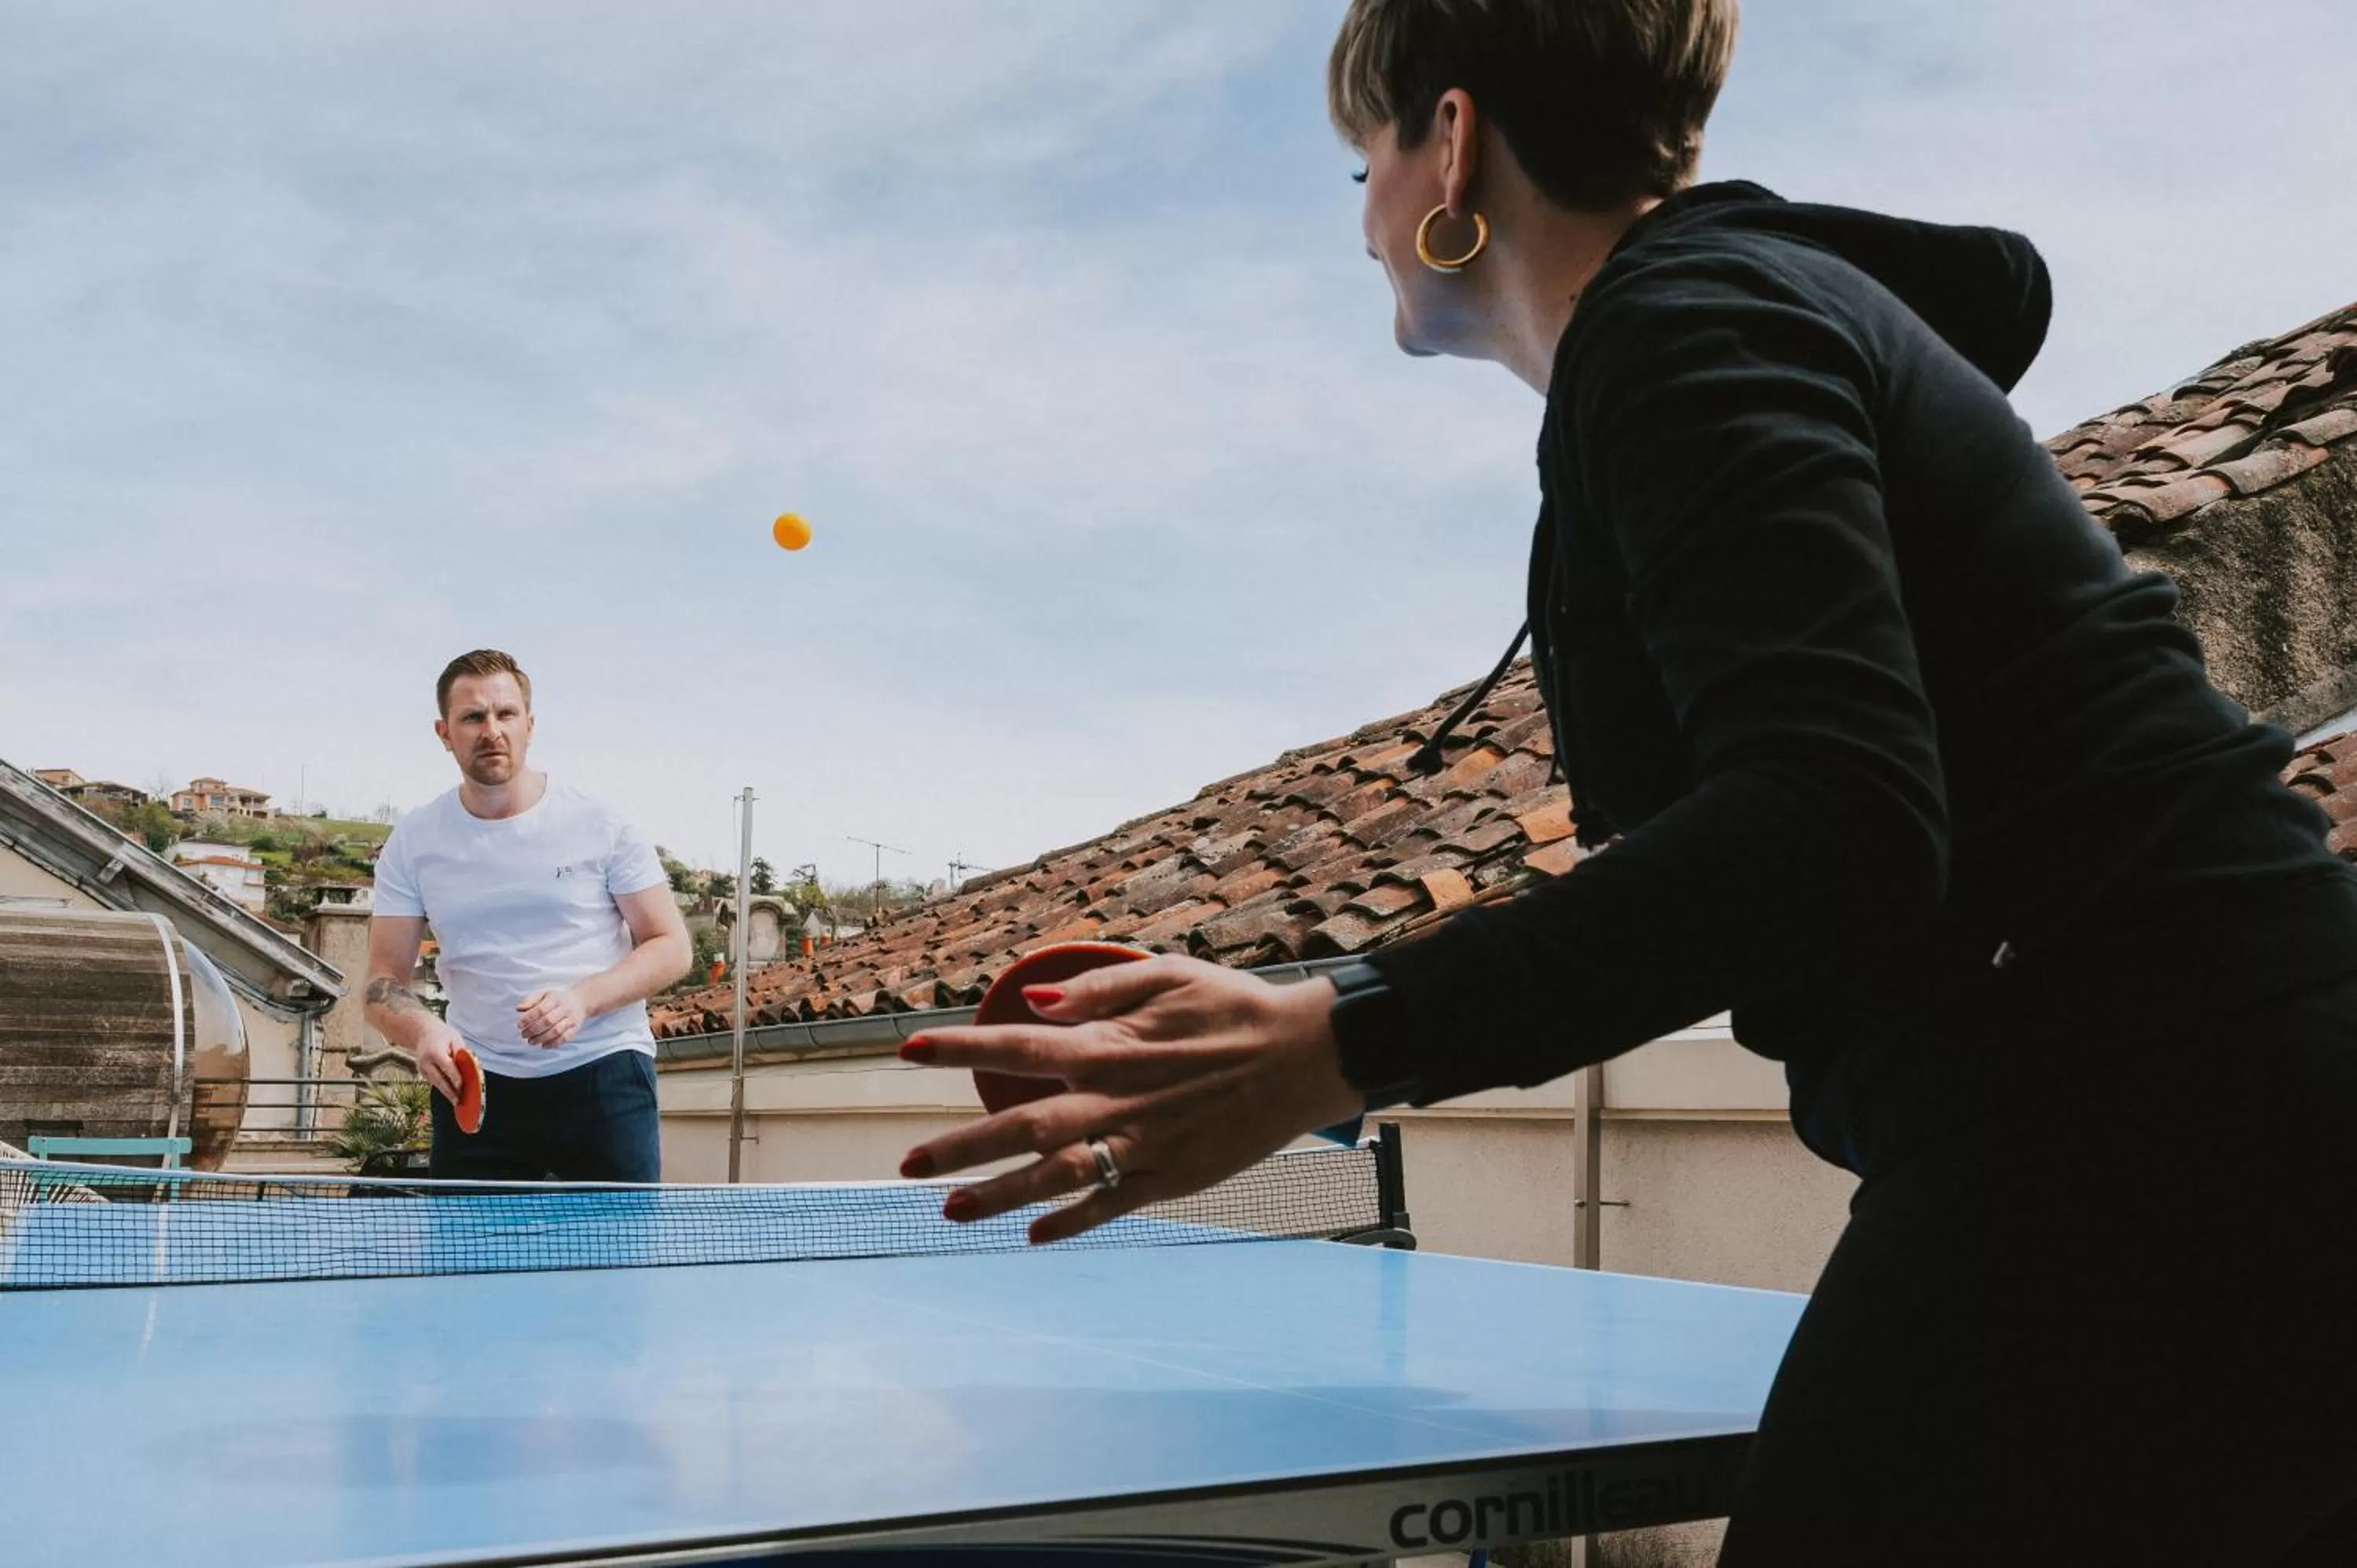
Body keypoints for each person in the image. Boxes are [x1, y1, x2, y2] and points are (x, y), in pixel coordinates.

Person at [893, 2, 2357, 1561]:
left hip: (2150, 1119)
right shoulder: (1733, 318)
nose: (1366, 223)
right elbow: (1779, 834)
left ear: (1450, 143)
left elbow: (1836, 822)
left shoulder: (1686, 325)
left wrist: (1338, 1037)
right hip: (2200, 1106)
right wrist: (1335, 1009)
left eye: (1360, 164)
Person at [364, 650, 691, 1182]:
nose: (491, 730)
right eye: (472, 717)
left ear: (530, 726)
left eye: (506, 714)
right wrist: (423, 1030)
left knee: (618, 1263)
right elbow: (381, 982)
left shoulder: (599, 822)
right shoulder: (414, 841)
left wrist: (581, 1001)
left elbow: (672, 946)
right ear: (445, 733)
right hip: (477, 1082)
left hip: (603, 1072)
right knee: (468, 1264)